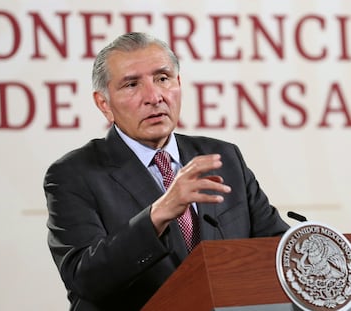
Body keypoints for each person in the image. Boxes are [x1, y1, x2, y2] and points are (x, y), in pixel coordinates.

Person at [43, 32, 289, 311]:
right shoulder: (73, 174)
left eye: (162, 78)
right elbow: (85, 278)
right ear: (104, 104)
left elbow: (276, 249)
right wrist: (158, 214)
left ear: (179, 84)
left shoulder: (223, 157)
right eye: (132, 84)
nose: (154, 96)